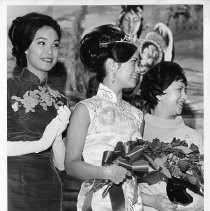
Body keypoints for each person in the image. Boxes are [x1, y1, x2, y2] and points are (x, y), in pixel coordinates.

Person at [65, 24, 144, 211]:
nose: (138, 69)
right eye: (133, 62)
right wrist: (105, 172)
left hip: (133, 203)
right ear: (112, 65)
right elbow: (71, 165)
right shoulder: (85, 110)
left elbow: (138, 169)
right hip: (98, 203)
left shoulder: (138, 115)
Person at [7, 12, 71, 211]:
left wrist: (58, 135)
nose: (50, 51)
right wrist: (42, 143)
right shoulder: (7, 88)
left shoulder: (60, 99)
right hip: (12, 185)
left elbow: (61, 165)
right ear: (25, 47)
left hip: (50, 187)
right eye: (41, 43)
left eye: (55, 44)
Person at [139, 61, 204, 211]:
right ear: (159, 93)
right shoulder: (137, 131)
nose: (185, 97)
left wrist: (202, 204)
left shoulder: (194, 137)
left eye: (185, 91)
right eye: (180, 90)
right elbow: (122, 186)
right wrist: (150, 201)